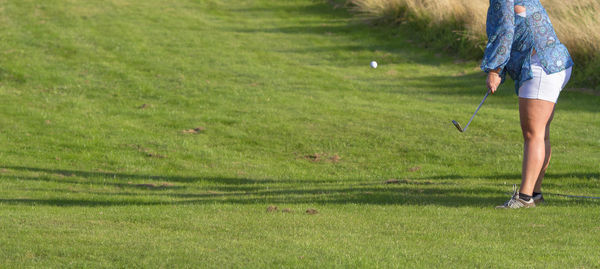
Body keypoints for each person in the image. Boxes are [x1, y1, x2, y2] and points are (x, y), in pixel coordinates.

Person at [480, 0, 574, 208]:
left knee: (533, 134)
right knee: (540, 134)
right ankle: (534, 193)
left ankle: (524, 197)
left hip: (541, 65)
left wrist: (494, 70)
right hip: (554, 63)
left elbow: (505, 31)